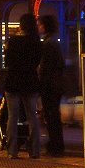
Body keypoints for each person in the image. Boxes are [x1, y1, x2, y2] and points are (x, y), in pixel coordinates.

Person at [3, 13, 42, 159]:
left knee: (13, 116)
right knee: (32, 116)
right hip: (30, 81)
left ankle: (12, 151)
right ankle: (34, 150)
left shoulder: (12, 41)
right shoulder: (36, 41)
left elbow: (7, 63)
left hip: (13, 81)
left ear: (21, 25)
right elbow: (37, 62)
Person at [38, 14, 66, 157]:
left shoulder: (48, 43)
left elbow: (45, 68)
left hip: (50, 85)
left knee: (51, 116)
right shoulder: (55, 42)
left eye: (41, 24)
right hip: (56, 84)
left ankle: (55, 146)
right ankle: (56, 144)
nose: (39, 27)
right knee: (54, 115)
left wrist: (41, 82)